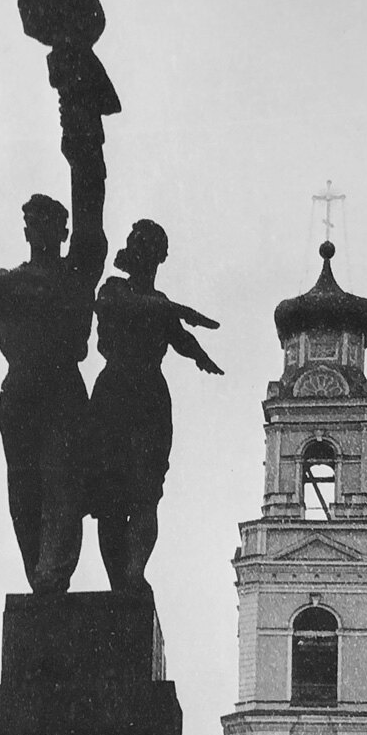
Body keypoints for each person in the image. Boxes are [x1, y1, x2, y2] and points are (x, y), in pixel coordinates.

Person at [0, 189, 106, 594]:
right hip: (20, 390)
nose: (39, 230)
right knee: (24, 490)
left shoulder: (75, 274)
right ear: (26, 231)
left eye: (48, 223)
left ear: (63, 231)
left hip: (61, 388)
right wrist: (25, 283)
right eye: (32, 223)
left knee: (63, 482)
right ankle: (39, 573)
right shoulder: (12, 278)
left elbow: (92, 231)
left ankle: (52, 572)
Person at [90, 219, 223, 592]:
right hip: (115, 392)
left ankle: (134, 572)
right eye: (139, 245)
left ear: (161, 256)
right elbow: (126, 308)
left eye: (152, 247)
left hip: (149, 395)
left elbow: (180, 338)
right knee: (110, 496)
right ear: (131, 251)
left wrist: (200, 356)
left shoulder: (161, 303)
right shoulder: (114, 288)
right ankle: (118, 582)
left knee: (146, 492)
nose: (145, 253)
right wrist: (177, 310)